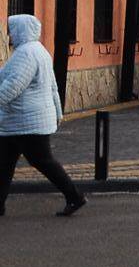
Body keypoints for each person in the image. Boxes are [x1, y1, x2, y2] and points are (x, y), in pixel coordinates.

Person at [0, 14, 86, 217]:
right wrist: (57, 112)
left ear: (21, 30)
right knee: (4, 163)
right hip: (20, 121)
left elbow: (13, 86)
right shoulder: (39, 50)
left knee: (43, 161)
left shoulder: (26, 54)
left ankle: (75, 196)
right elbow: (53, 86)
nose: (9, 35)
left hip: (26, 121)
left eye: (12, 30)